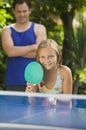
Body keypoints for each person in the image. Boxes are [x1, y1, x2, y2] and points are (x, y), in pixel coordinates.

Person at [1, 0, 47, 91]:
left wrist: (15, 51)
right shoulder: (7, 30)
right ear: (14, 11)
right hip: (13, 81)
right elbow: (10, 52)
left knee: (35, 106)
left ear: (30, 10)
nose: (22, 14)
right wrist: (34, 47)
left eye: (24, 11)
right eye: (19, 11)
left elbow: (42, 54)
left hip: (35, 82)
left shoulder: (39, 29)